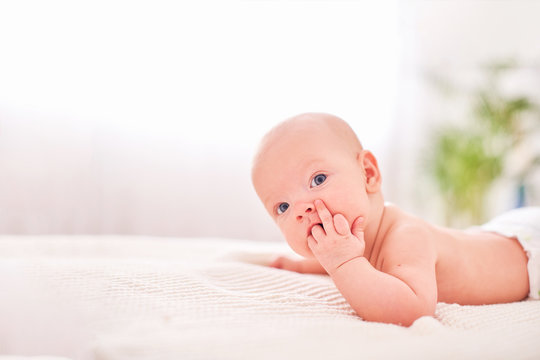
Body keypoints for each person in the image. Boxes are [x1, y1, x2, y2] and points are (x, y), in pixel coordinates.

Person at [251, 112, 539, 326]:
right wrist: (307, 264)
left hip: (530, 251)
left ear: (368, 174)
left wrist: (342, 264)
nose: (301, 209)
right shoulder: (361, 239)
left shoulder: (405, 235)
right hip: (497, 236)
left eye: (318, 179)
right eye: (283, 207)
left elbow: (412, 309)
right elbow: (355, 257)